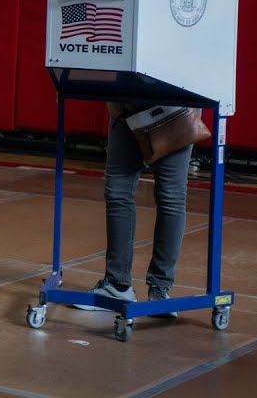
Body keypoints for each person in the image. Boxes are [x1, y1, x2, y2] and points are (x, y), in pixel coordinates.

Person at [75, 102, 192, 318]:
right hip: (126, 106)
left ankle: (160, 289)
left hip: (173, 108)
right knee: (118, 192)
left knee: (170, 197)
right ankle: (117, 286)